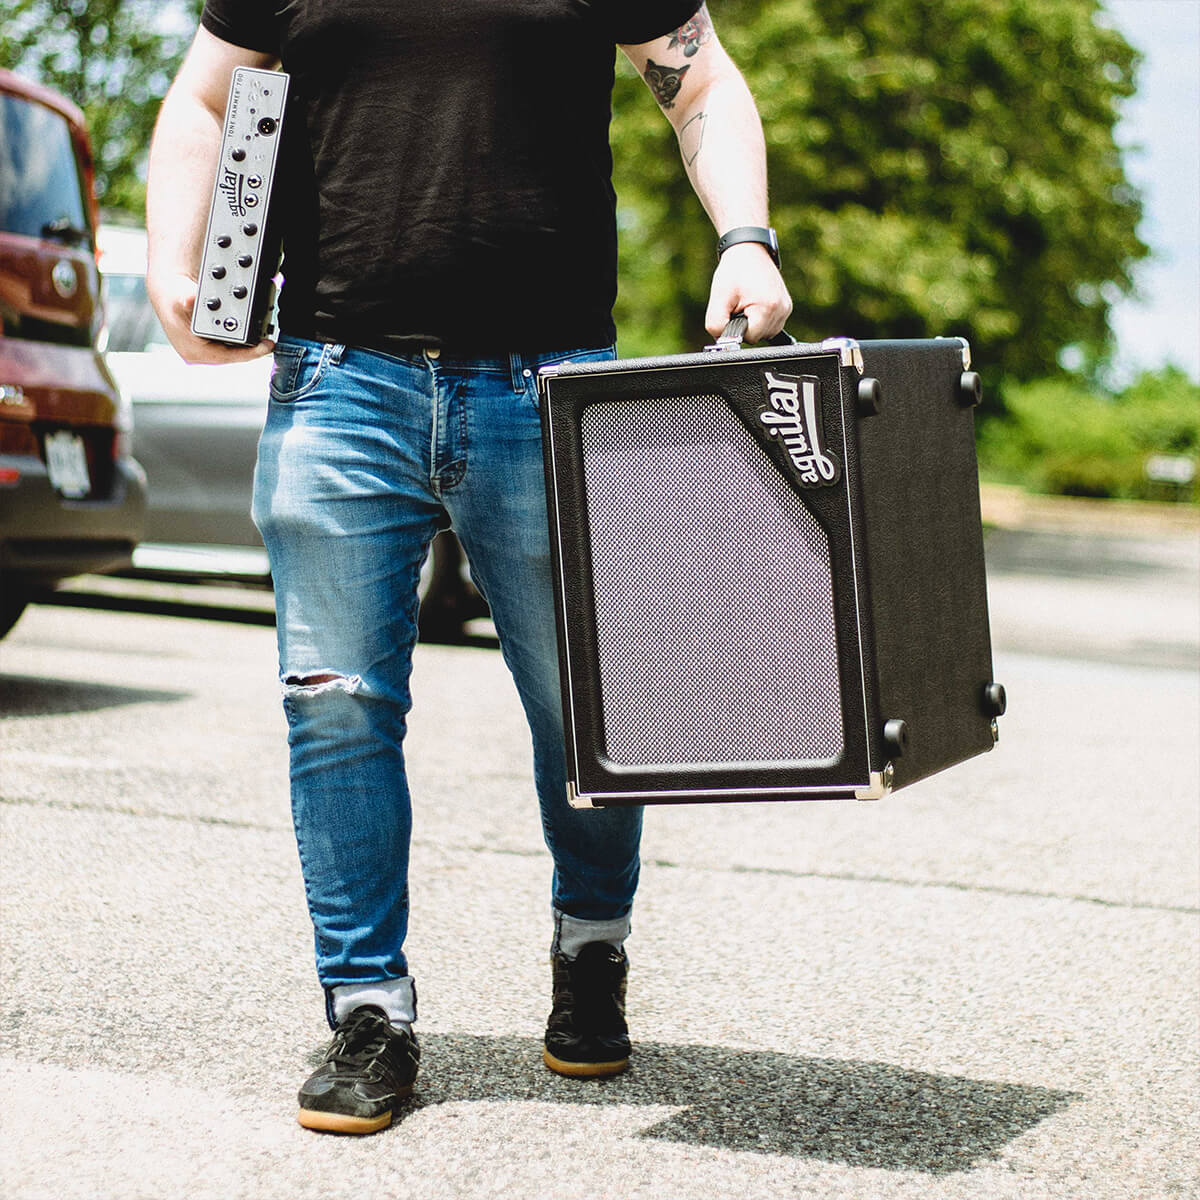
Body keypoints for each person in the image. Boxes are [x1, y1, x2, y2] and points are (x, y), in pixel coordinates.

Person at [147, 1, 792, 1136]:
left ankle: (592, 945)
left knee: (584, 707)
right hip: (338, 378)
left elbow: (699, 84)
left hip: (546, 386)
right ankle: (367, 1013)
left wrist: (747, 237)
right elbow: (206, 96)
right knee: (336, 708)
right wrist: (171, 264)